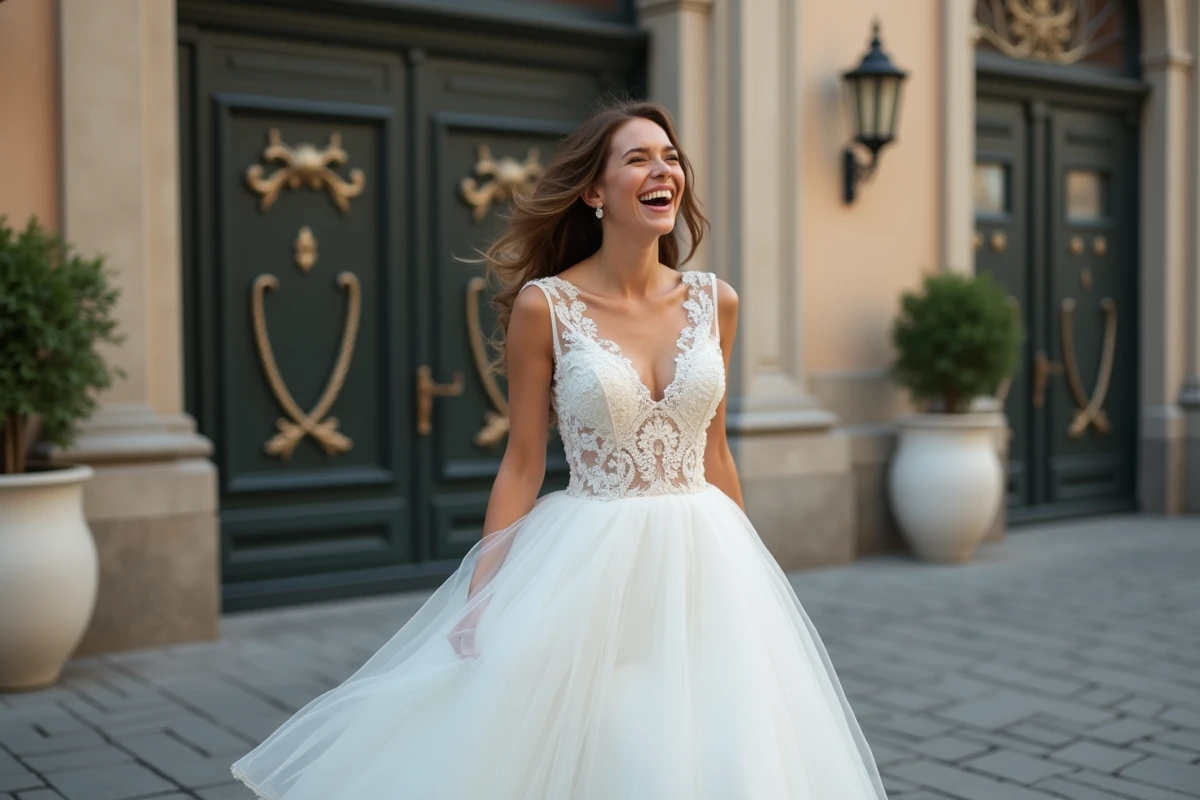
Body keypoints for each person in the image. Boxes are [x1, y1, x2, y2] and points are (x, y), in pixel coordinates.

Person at [231, 99, 888, 799]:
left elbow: (716, 451)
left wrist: (756, 576)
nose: (662, 168)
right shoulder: (546, 307)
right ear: (594, 192)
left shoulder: (715, 301)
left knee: (715, 743)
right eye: (638, 158)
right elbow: (520, 463)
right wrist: (479, 600)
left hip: (707, 553)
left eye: (670, 158)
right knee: (615, 743)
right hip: (591, 562)